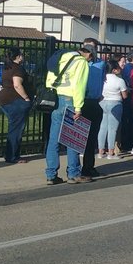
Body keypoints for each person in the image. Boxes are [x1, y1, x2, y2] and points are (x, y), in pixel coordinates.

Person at [44, 46, 93, 185]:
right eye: (90, 58)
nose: (89, 61)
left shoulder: (58, 58)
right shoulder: (80, 62)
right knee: (72, 138)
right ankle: (74, 173)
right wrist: (78, 107)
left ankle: (51, 174)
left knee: (54, 138)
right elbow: (79, 85)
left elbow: (50, 79)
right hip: (70, 98)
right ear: (87, 53)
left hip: (57, 98)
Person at [78, 39, 107, 177]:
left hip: (94, 101)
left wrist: (99, 94)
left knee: (91, 137)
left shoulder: (101, 63)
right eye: (86, 48)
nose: (89, 50)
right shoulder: (78, 62)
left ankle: (89, 166)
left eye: (92, 48)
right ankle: (76, 168)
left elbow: (102, 79)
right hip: (81, 101)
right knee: (78, 136)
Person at [0, 47, 32, 164]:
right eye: (21, 54)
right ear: (18, 56)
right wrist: (26, 98)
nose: (23, 56)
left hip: (5, 99)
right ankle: (12, 156)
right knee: (16, 129)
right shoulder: (17, 68)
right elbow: (17, 85)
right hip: (16, 101)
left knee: (14, 127)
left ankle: (11, 154)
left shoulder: (7, 67)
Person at [97, 60, 128, 159]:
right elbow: (125, 96)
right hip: (115, 103)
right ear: (114, 70)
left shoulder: (102, 79)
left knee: (103, 127)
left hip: (103, 102)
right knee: (112, 129)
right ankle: (111, 152)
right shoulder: (120, 80)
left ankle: (101, 151)